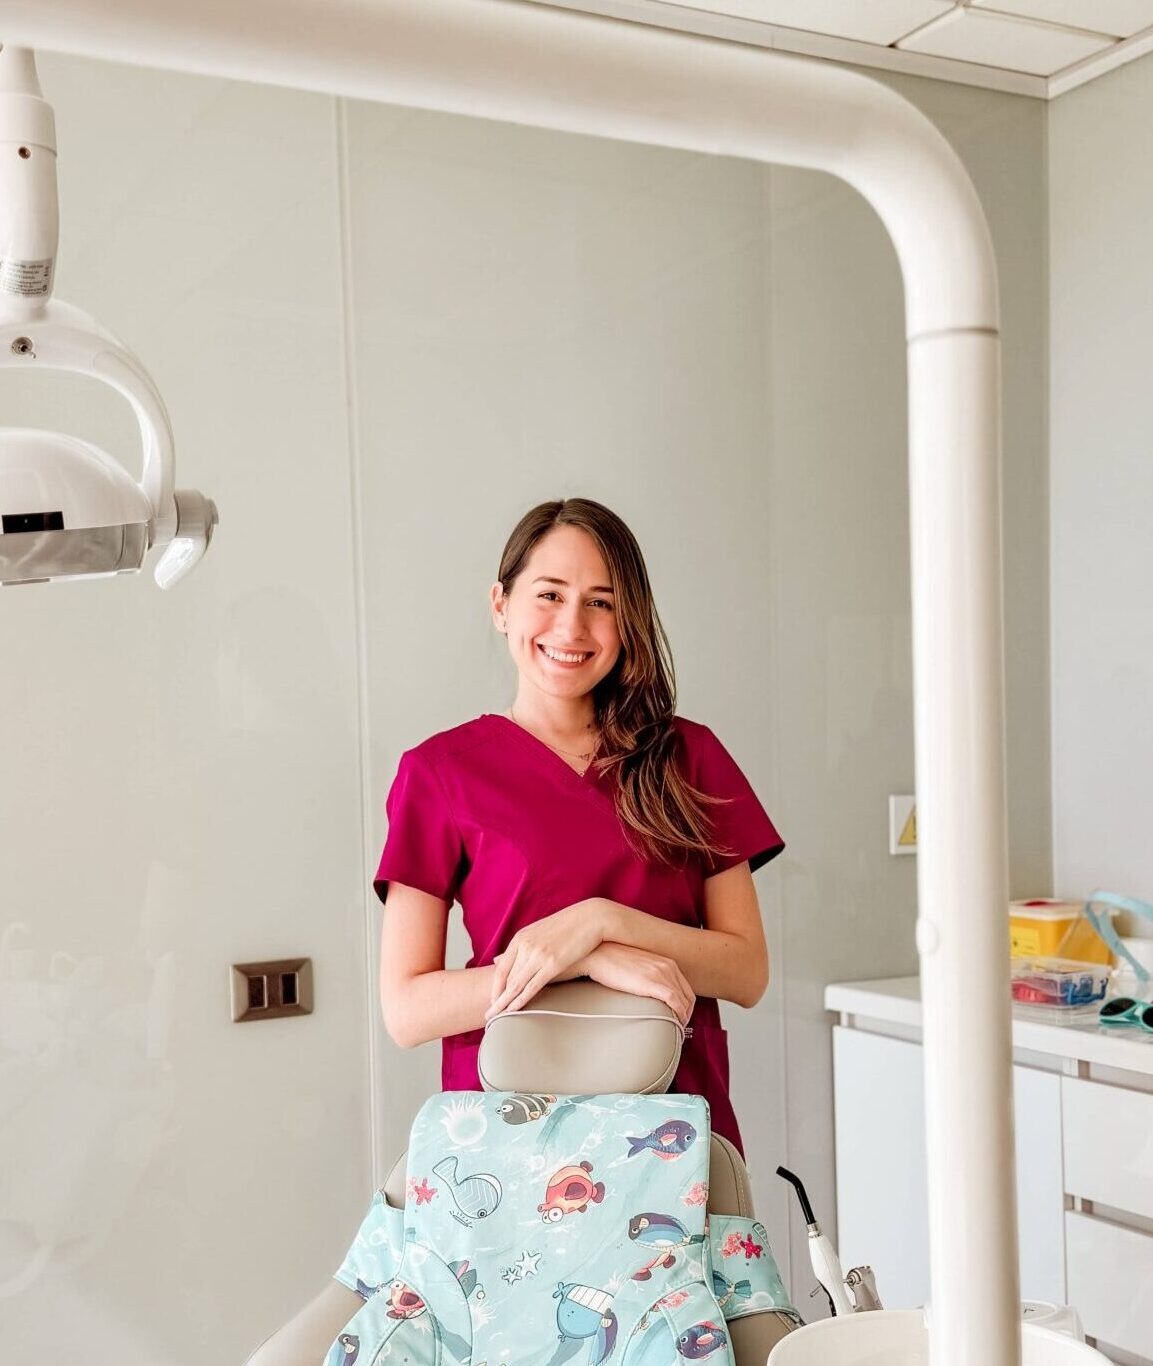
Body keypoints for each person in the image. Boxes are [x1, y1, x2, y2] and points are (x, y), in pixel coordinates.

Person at [374, 498, 783, 1153]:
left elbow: (746, 970)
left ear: (628, 621)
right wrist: (582, 960)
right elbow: (407, 1010)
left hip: (668, 1133)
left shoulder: (689, 757)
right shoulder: (439, 772)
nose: (571, 625)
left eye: (601, 602)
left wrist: (601, 922)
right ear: (501, 604)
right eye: (549, 594)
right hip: (510, 1139)